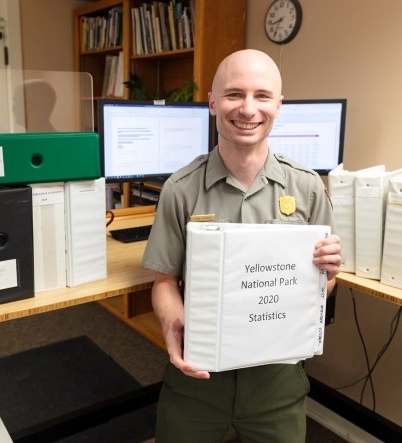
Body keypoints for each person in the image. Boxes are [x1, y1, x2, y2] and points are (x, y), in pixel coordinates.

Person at [142, 49, 342, 443]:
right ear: (213, 103)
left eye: (263, 96)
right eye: (234, 94)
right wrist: (172, 323)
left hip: (277, 381)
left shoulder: (307, 187)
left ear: (279, 106)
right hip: (198, 376)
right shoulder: (180, 189)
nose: (248, 109)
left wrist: (327, 276)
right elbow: (164, 280)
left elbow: (321, 286)